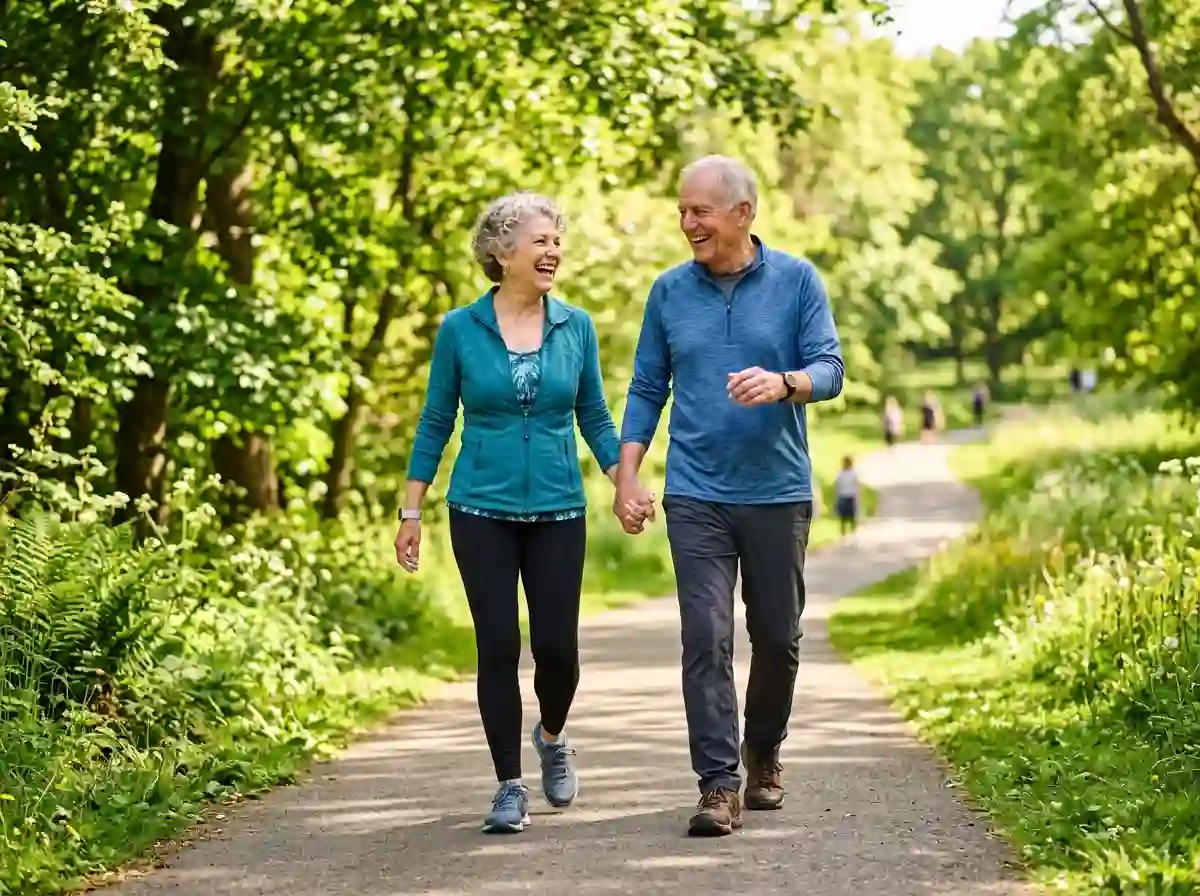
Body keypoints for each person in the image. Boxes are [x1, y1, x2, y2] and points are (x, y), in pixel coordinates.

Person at [613, 155, 844, 838]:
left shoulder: (798, 281)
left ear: (743, 213)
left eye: (700, 212)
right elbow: (647, 386)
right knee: (706, 637)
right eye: (682, 211)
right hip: (696, 493)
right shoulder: (668, 292)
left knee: (778, 637)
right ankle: (717, 783)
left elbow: (831, 368)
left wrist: (786, 382)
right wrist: (628, 475)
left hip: (777, 492)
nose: (687, 223)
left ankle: (763, 750)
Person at [396, 191, 637, 835]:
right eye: (540, 242)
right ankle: (508, 785)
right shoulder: (459, 329)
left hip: (559, 507)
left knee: (558, 649)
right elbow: (435, 421)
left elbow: (594, 415)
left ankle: (552, 736)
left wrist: (624, 479)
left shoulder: (575, 326)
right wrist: (411, 510)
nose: (553, 251)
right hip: (480, 508)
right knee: (498, 646)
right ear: (502, 254)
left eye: (557, 241)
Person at [834, 455, 859, 536]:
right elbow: (857, 487)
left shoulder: (841, 474)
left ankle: (845, 534)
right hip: (849, 497)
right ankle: (851, 533)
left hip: (843, 497)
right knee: (850, 517)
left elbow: (837, 487)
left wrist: (836, 498)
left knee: (844, 518)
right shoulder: (853, 474)